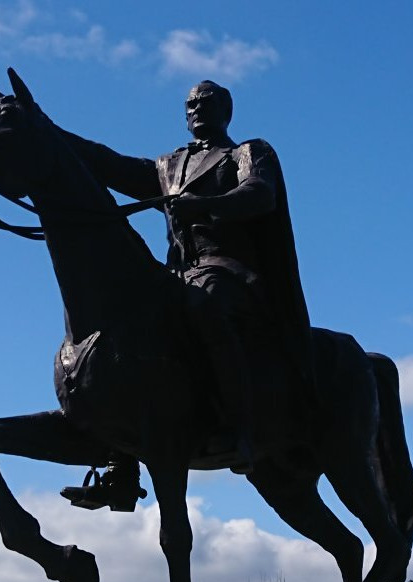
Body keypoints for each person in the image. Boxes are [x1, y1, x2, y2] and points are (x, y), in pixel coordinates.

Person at [58, 81, 313, 509]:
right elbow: (110, 164)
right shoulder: (169, 165)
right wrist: (47, 130)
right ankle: (122, 470)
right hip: (178, 275)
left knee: (205, 305)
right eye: (189, 103)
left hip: (226, 272)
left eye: (205, 101)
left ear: (225, 109)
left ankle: (241, 427)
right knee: (128, 335)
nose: (195, 108)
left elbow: (259, 194)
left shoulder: (247, 152)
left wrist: (205, 203)